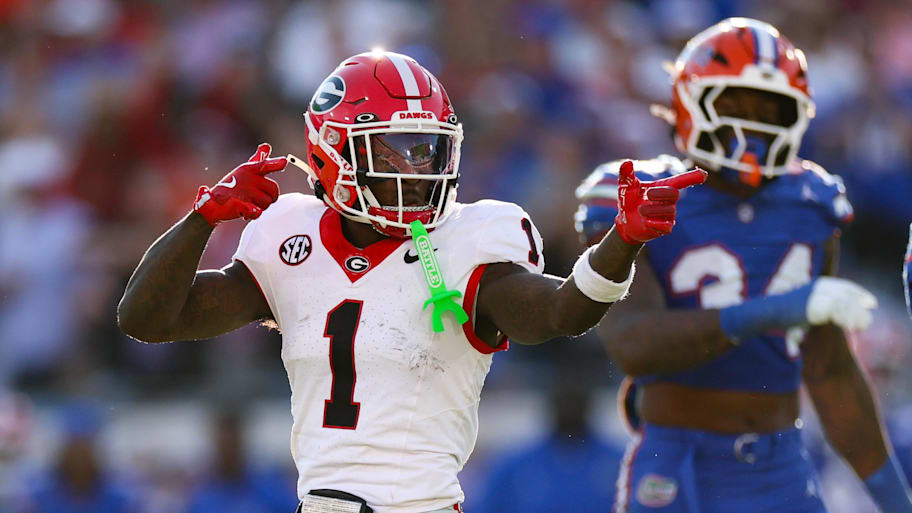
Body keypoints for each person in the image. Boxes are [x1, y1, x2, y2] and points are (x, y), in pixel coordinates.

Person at [117, 50, 705, 513]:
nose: (417, 169)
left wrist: (622, 242)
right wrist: (203, 218)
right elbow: (146, 319)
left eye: (426, 149)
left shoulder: (471, 239)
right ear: (331, 154)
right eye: (395, 151)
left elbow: (561, 313)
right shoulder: (288, 235)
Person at [574, 18, 912, 513]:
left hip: (780, 464)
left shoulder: (812, 203)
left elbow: (830, 371)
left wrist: (894, 500)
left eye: (769, 107)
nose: (752, 123)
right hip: (678, 459)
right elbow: (633, 345)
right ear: (690, 102)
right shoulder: (643, 197)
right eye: (733, 103)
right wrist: (776, 310)